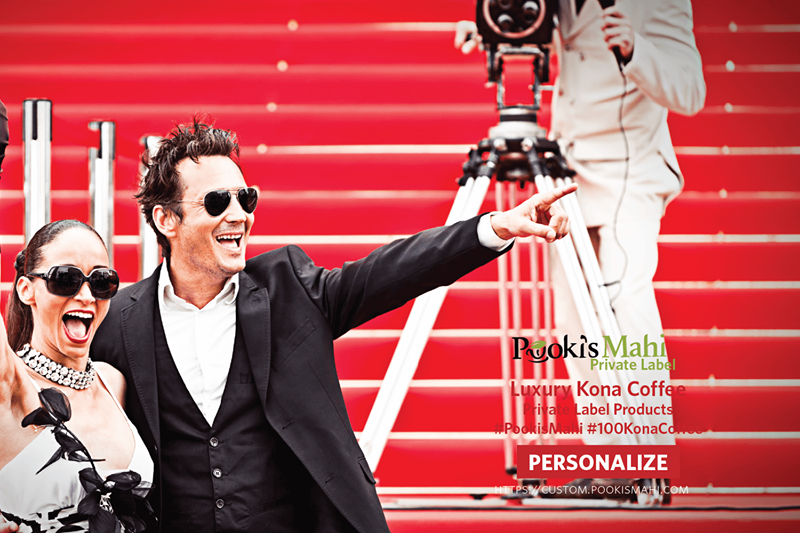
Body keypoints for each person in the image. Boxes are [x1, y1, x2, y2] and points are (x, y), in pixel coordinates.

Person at [74, 114, 577, 533]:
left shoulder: (288, 287)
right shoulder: (117, 320)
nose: (239, 215)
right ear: (166, 220)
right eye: (217, 201)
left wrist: (494, 228)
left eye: (246, 199)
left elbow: (388, 272)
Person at [456, 0, 706, 499]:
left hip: (628, 174)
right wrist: (497, 30)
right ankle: (611, 462)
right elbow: (552, 39)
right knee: (575, 322)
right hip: (568, 171)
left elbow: (690, 90)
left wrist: (636, 49)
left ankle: (649, 462)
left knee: (626, 309)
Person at [0, 50, 155, 532]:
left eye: (101, 281)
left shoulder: (113, 383)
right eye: (65, 279)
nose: (86, 294)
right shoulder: (8, 385)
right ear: (27, 289)